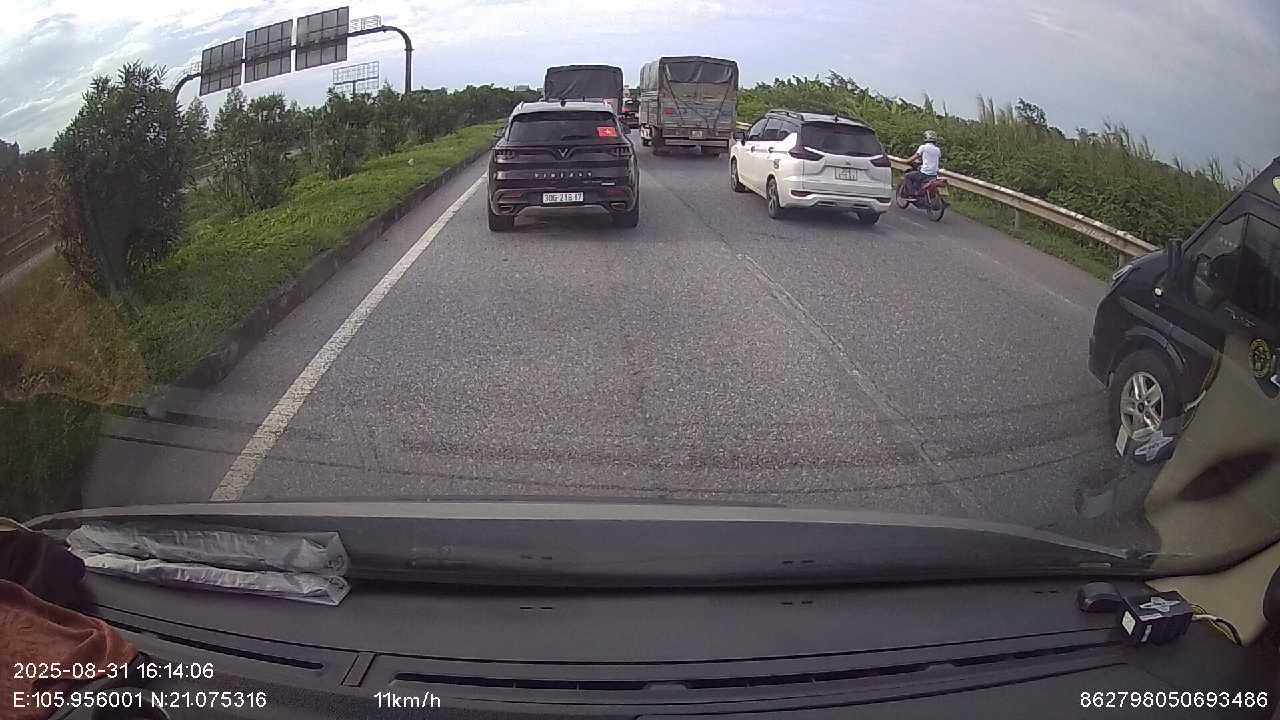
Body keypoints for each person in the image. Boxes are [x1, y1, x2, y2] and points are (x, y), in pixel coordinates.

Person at [902, 130, 942, 197]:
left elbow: (914, 157)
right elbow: (932, 159)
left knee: (908, 176)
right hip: (934, 174)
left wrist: (906, 161)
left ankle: (912, 194)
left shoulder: (923, 147)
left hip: (925, 174)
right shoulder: (938, 150)